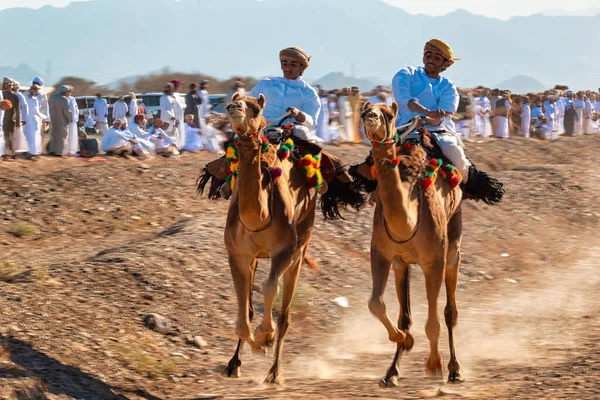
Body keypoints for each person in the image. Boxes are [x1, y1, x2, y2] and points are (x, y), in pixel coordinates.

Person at [392, 39, 503, 202]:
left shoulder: (449, 87)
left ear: (445, 64)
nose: (431, 60)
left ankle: (465, 187)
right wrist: (426, 112)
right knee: (377, 155)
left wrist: (427, 120)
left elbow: (442, 118)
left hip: (437, 132)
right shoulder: (406, 73)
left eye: (437, 58)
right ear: (423, 58)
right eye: (428, 56)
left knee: (454, 152)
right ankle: (371, 190)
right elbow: (404, 99)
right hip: (404, 129)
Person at [248, 46, 322, 143]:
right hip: (262, 127)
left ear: (302, 67)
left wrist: (298, 114)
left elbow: (311, 124)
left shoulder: (309, 92)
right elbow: (249, 104)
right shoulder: (265, 84)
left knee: (301, 132)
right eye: (284, 64)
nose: (287, 68)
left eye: (293, 65)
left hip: (290, 131)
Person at [24, 85, 48, 159]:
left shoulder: (30, 98)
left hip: (31, 119)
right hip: (32, 119)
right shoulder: (33, 99)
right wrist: (44, 117)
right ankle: (32, 152)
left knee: (33, 136)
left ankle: (33, 152)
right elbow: (36, 111)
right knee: (32, 136)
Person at [48, 85, 73, 156]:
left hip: (53, 119)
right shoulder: (64, 99)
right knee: (62, 136)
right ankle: (60, 152)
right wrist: (70, 119)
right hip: (62, 120)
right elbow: (67, 111)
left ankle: (52, 150)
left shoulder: (53, 97)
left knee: (54, 135)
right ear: (65, 92)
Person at [2, 78, 21, 160]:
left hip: (10, 120)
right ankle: (3, 153)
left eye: (11, 85)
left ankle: (10, 153)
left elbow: (18, 110)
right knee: (3, 137)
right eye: (7, 85)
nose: (9, 87)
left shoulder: (15, 96)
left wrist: (18, 122)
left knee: (10, 137)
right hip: (2, 119)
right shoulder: (1, 94)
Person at [66, 87, 80, 156]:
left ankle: (72, 150)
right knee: (67, 134)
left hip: (73, 120)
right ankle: (67, 150)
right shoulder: (64, 99)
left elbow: (76, 109)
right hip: (67, 120)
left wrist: (76, 117)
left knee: (73, 135)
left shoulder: (72, 99)